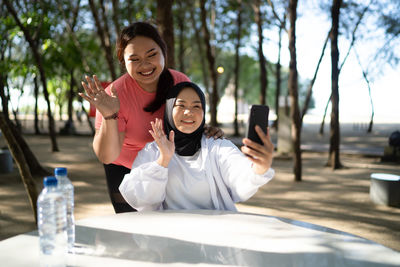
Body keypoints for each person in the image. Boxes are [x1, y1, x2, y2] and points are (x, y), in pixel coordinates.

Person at [79, 22, 223, 213]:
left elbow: (189, 124)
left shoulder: (179, 82)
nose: (145, 65)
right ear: (123, 62)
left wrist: (206, 131)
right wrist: (109, 115)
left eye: (152, 55)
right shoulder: (114, 94)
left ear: (164, 52)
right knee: (132, 232)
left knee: (171, 228)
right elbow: (107, 156)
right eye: (134, 59)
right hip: (127, 172)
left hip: (169, 166)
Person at [119, 82, 275, 211]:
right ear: (168, 109)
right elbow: (140, 199)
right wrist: (163, 161)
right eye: (181, 106)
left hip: (214, 238)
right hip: (169, 238)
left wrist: (260, 167)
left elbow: (239, 175)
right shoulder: (152, 151)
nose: (189, 112)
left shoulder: (217, 146)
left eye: (196, 106)